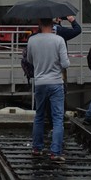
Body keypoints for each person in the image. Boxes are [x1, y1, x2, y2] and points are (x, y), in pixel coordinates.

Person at [27, 17, 70, 162]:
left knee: (39, 115)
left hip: (40, 83)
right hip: (56, 83)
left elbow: (30, 60)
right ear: (52, 24)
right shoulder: (59, 40)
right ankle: (55, 152)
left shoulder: (32, 40)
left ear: (39, 24)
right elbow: (65, 64)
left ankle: (36, 148)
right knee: (57, 118)